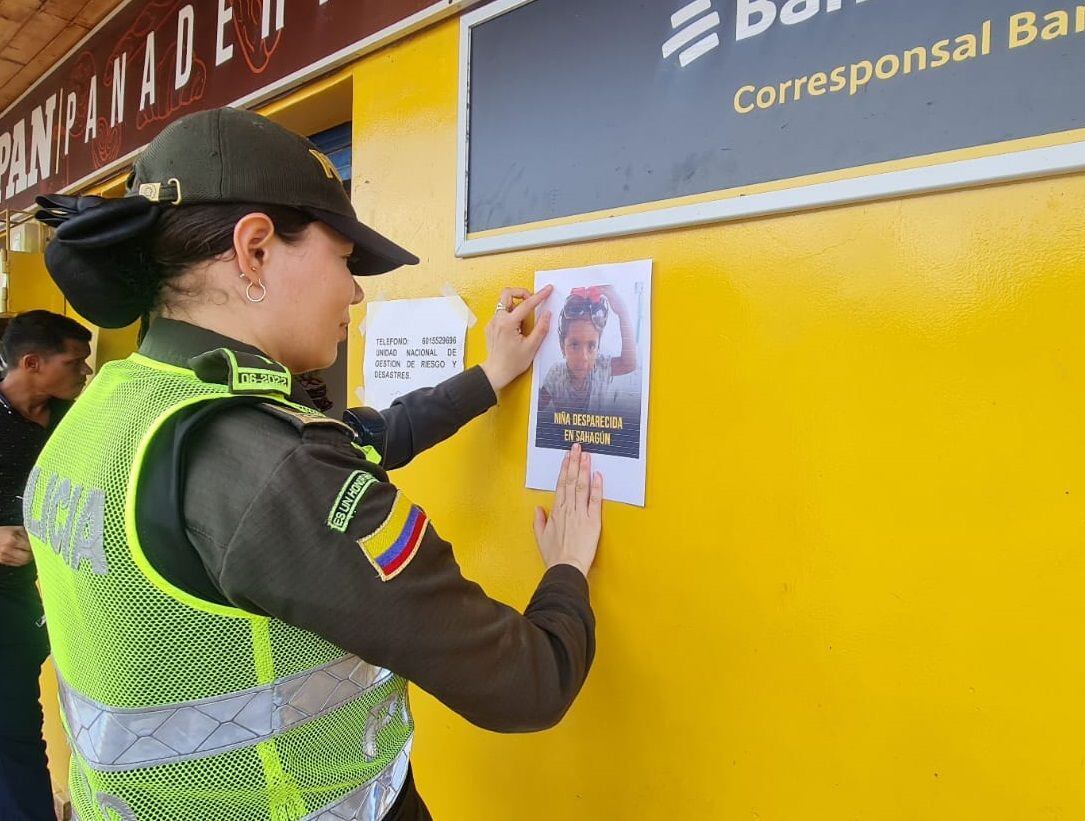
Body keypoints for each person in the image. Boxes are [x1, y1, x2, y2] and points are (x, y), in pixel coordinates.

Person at [26, 107, 603, 821]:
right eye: (343, 258)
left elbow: (360, 436)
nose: (356, 291)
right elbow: (529, 682)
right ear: (256, 250)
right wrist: (569, 571)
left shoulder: (114, 407)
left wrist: (491, 374)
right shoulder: (268, 466)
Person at [0, 310, 92, 820]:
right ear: (32, 363)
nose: (85, 373)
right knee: (14, 729)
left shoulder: (70, 421)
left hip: (63, 597)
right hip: (4, 600)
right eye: (75, 362)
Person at [538, 284, 637, 415]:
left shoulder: (600, 367)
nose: (583, 357)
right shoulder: (556, 374)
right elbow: (537, 405)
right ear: (562, 347)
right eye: (574, 345)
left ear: (598, 347)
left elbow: (629, 364)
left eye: (591, 346)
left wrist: (622, 313)